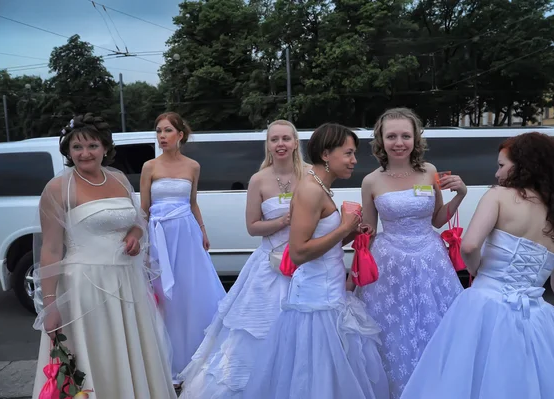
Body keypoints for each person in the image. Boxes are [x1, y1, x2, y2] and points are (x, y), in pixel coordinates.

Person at [400, 132, 554, 399]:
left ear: (524, 165)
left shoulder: (499, 196)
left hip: (485, 305)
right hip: (535, 314)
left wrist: (477, 269)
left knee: (467, 377)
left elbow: (469, 246)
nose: (496, 173)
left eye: (502, 165)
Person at [31, 113, 176, 399]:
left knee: (132, 351)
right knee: (92, 355)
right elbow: (50, 249)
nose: (85, 153)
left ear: (105, 148)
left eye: (92, 146)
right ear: (68, 151)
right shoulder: (58, 189)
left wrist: (135, 234)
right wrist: (50, 306)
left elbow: (137, 220)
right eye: (77, 147)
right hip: (84, 288)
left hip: (126, 283)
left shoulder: (119, 179)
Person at [242, 123, 390, 399]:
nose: (354, 160)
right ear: (326, 154)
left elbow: (324, 245)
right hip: (315, 304)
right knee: (315, 375)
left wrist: (351, 233)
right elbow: (298, 252)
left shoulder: (319, 186)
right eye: (348, 153)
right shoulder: (311, 190)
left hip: (328, 296)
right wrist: (344, 228)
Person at [178, 119, 308, 398]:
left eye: (286, 138)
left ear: (296, 142)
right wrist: (284, 221)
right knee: (256, 334)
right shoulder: (259, 179)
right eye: (275, 139)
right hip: (268, 268)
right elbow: (252, 227)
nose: (281, 144)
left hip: (306, 265)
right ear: (268, 145)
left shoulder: (310, 175)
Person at [354, 107, 466, 398]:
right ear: (381, 140)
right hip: (389, 263)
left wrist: (461, 195)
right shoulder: (371, 181)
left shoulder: (429, 171)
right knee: (394, 333)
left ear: (416, 139)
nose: (399, 142)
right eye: (391, 136)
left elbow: (438, 219)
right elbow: (369, 230)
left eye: (406, 135)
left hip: (431, 259)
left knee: (437, 328)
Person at [140, 112, 226, 389]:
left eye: (167, 130)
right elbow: (144, 209)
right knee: (164, 296)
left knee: (190, 293)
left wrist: (203, 230)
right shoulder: (149, 166)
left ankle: (194, 359)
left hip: (186, 235)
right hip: (158, 236)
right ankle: (165, 363)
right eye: (158, 131)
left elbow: (192, 202)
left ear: (180, 134)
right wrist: (142, 243)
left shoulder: (193, 166)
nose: (161, 136)